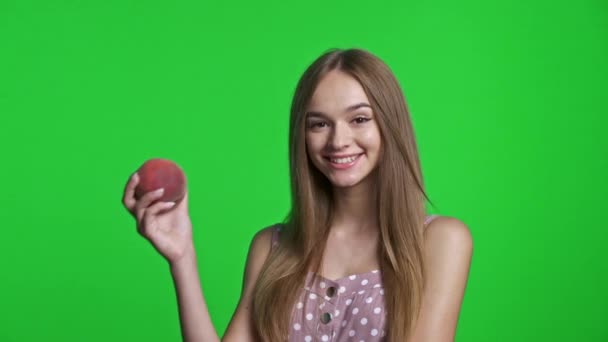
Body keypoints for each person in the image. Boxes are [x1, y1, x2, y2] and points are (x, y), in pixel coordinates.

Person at [122, 48, 473, 342]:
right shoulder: (272, 247)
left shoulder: (440, 241)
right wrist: (182, 258)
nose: (338, 140)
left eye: (359, 119)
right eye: (319, 124)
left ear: (389, 124)